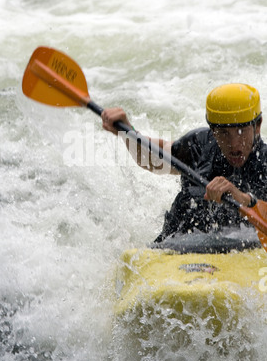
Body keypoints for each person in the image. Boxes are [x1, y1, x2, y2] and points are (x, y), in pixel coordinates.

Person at [101, 83, 267, 242]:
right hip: (175, 248)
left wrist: (244, 199)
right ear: (213, 131)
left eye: (241, 132)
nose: (234, 144)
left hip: (240, 254)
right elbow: (153, 159)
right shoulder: (199, 145)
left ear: (257, 126)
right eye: (223, 133)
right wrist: (128, 132)